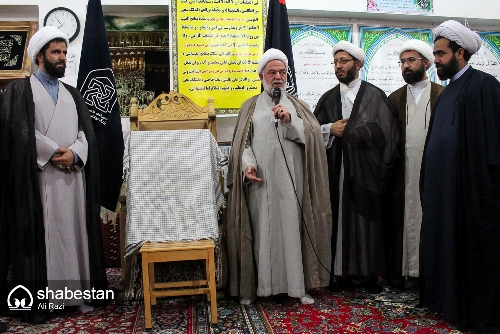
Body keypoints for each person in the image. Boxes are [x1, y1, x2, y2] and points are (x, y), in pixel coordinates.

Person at [0, 26, 108, 323]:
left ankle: (77, 296)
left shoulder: (73, 93)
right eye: (55, 52)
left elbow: (85, 133)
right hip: (40, 179)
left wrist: (75, 153)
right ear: (39, 57)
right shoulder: (18, 91)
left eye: (64, 52)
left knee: (73, 234)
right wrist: (51, 152)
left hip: (73, 177)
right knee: (47, 237)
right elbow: (18, 132)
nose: (62, 57)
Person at [226, 48, 332, 305]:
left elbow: (313, 139)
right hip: (261, 183)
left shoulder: (297, 106)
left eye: (282, 72)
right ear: (261, 75)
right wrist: (247, 166)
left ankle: (298, 288)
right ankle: (258, 289)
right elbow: (243, 144)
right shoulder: (249, 107)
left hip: (292, 183)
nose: (277, 77)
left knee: (292, 232)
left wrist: (290, 122)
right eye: (272, 72)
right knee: (262, 235)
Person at [419, 20, 500, 333]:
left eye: (440, 54)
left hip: (473, 197)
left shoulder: (485, 87)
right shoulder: (448, 93)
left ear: (460, 52)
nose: (435, 60)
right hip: (446, 194)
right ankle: (448, 303)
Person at [313, 41, 399, 293]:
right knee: (339, 220)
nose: (338, 66)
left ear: (358, 65)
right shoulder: (328, 98)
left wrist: (359, 132)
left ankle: (369, 274)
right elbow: (312, 130)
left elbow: (388, 134)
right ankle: (340, 274)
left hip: (368, 174)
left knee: (367, 222)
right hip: (337, 171)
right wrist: (331, 129)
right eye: (336, 62)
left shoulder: (374, 95)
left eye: (344, 61)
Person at [386, 40, 444, 289]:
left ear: (427, 63)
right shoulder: (394, 98)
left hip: (435, 174)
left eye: (411, 60)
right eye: (403, 62)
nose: (406, 66)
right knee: (406, 219)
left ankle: (432, 272)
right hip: (404, 174)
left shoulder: (442, 95)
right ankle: (408, 272)